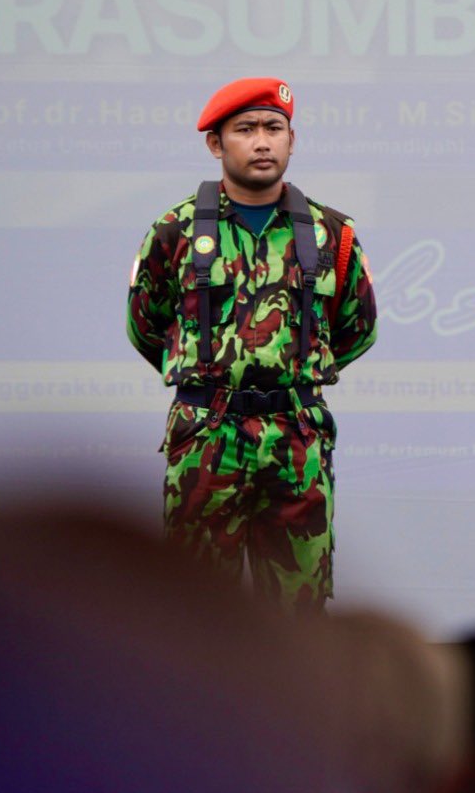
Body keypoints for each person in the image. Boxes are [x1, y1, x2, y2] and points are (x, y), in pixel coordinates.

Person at [127, 77, 378, 610]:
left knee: (299, 612)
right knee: (191, 609)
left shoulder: (334, 235)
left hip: (296, 440)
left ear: (292, 139)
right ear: (216, 144)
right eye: (245, 129)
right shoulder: (174, 231)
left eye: (274, 128)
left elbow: (356, 329)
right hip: (206, 437)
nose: (262, 141)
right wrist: (210, 377)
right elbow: (146, 326)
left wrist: (290, 374)